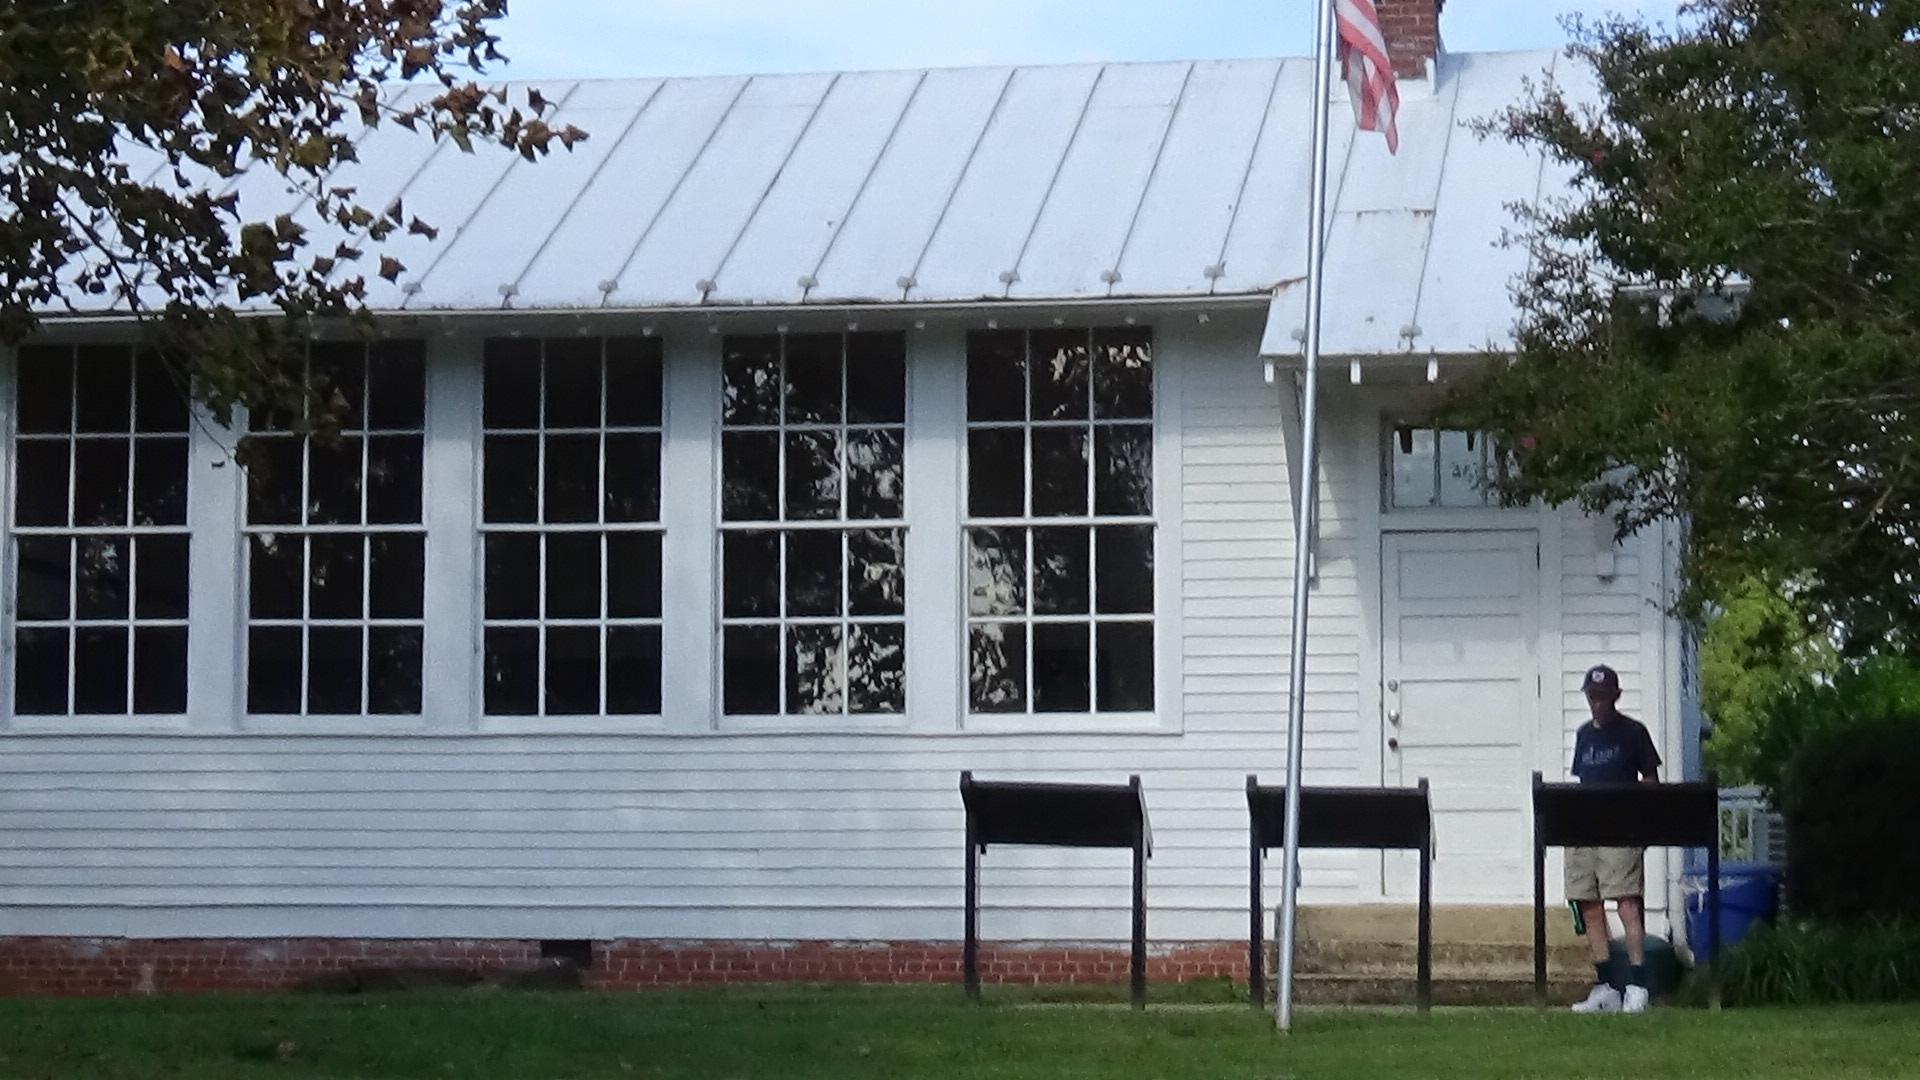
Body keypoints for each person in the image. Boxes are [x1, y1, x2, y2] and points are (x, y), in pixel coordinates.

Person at [1565, 664, 1663, 1015]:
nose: (1597, 702)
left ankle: (1637, 984)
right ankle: (1606, 985)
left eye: (1603, 696)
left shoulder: (1633, 733)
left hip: (1621, 829)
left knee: (1626, 904)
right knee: (1589, 905)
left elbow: (1651, 780)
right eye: (1592, 696)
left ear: (1615, 696)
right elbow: (1583, 781)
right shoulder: (1583, 735)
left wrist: (1635, 811)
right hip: (1586, 828)